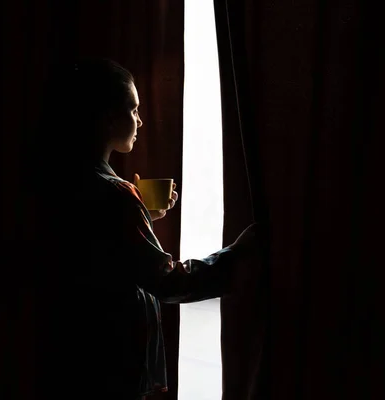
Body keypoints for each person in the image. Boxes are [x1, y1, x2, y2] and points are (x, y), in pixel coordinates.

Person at [29, 58, 257, 399]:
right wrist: (237, 255)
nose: (140, 120)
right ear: (107, 118)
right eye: (132, 110)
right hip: (112, 361)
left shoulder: (59, 179)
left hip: (68, 352)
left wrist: (140, 215)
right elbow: (167, 281)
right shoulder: (117, 194)